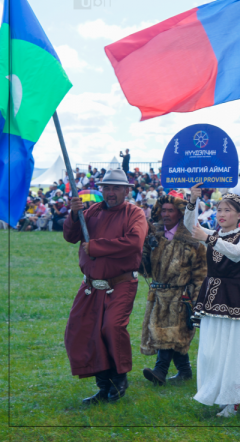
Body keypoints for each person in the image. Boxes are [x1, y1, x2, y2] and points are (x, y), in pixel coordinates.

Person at [62, 169, 148, 404]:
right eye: (107, 188)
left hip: (120, 284)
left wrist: (97, 247)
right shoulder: (92, 211)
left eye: (116, 188)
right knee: (82, 331)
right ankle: (103, 385)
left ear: (126, 190)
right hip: (90, 286)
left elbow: (134, 242)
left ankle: (119, 379)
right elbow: (71, 236)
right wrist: (73, 214)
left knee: (112, 327)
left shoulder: (135, 214)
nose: (110, 193)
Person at [185, 184, 240, 417]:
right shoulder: (213, 234)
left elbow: (237, 253)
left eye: (227, 210)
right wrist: (192, 200)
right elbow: (189, 226)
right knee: (211, 348)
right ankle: (215, 392)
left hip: (236, 297)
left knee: (234, 348)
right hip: (211, 294)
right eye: (219, 209)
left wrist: (209, 238)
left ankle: (232, 400)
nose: (221, 214)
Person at [138, 194, 207, 386]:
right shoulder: (154, 236)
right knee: (171, 334)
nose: (166, 214)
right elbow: (145, 269)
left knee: (169, 333)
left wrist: (196, 300)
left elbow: (201, 273)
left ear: (180, 213)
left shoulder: (192, 240)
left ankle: (160, 371)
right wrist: (141, 252)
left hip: (181, 295)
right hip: (158, 294)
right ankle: (184, 371)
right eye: (163, 210)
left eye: (171, 210)